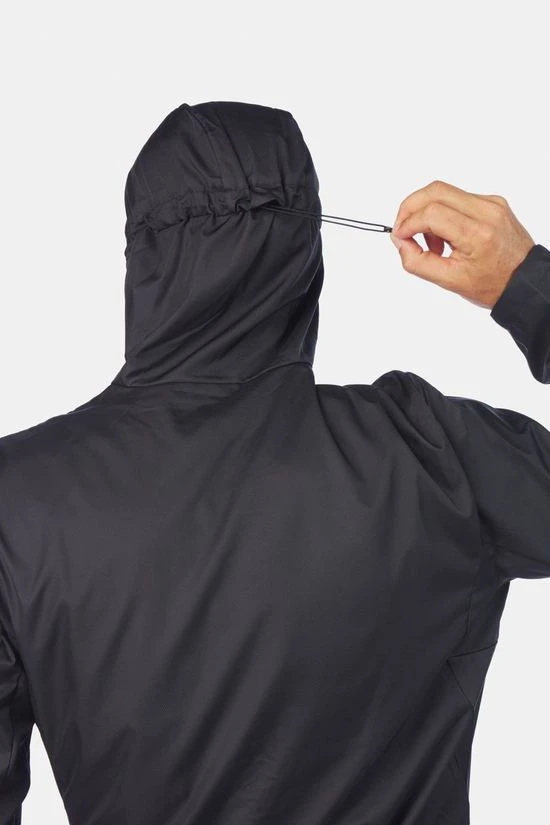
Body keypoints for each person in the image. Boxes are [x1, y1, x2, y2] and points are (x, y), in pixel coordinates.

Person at [0, 100, 548, 825]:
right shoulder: (433, 451)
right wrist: (525, 284)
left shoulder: (17, 499)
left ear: (142, 259)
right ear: (305, 254)